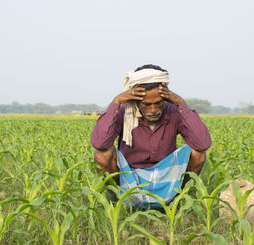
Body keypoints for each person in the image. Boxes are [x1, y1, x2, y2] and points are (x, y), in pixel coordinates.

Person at [90, 64, 211, 209]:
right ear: (135, 98)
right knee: (102, 154)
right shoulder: (124, 112)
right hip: (130, 177)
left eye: (158, 103)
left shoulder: (174, 112)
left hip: (166, 177)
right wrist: (116, 102)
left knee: (198, 153)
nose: (153, 110)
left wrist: (180, 103)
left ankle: (177, 200)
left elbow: (202, 144)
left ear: (165, 96)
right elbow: (99, 144)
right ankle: (118, 201)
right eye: (146, 104)